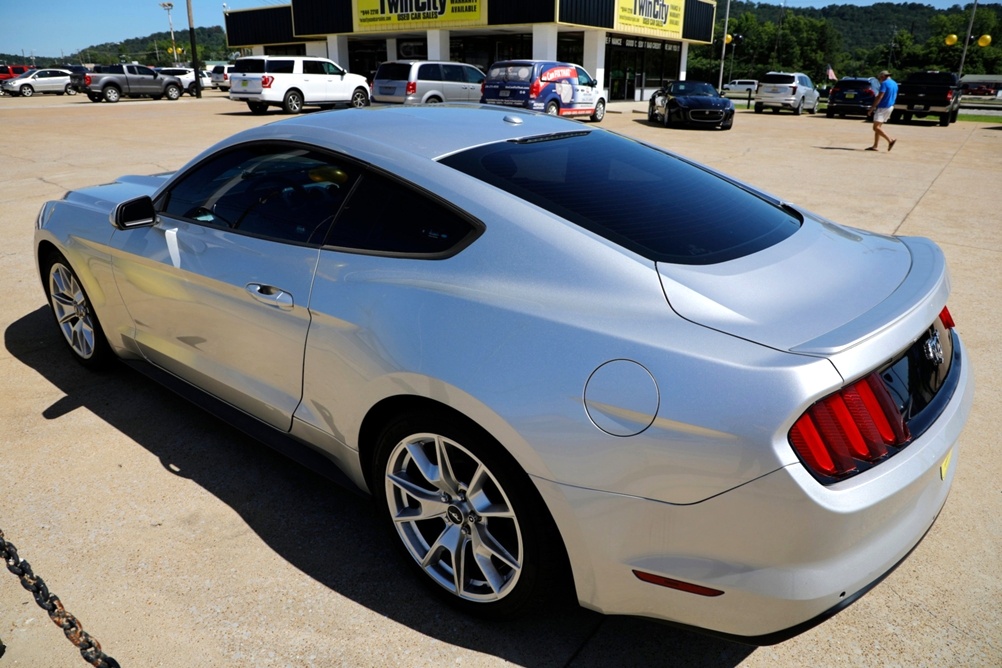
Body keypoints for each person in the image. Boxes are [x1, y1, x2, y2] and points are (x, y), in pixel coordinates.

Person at [866, 70, 898, 152]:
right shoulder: (894, 83)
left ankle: (890, 140)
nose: (880, 79)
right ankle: (875, 145)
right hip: (890, 106)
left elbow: (880, 96)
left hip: (883, 107)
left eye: (880, 78)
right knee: (879, 127)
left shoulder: (884, 84)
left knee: (875, 127)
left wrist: (872, 108)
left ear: (883, 76)